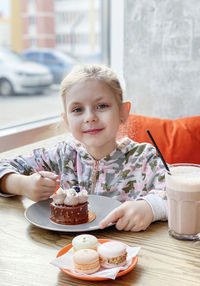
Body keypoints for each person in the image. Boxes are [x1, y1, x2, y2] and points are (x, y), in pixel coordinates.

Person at [0, 64, 167, 232]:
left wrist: (150, 208)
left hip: (129, 249)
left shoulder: (145, 158)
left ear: (123, 112)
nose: (90, 117)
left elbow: (184, 197)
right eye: (78, 109)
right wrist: (22, 185)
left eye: (101, 106)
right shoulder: (61, 155)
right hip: (67, 250)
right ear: (66, 121)